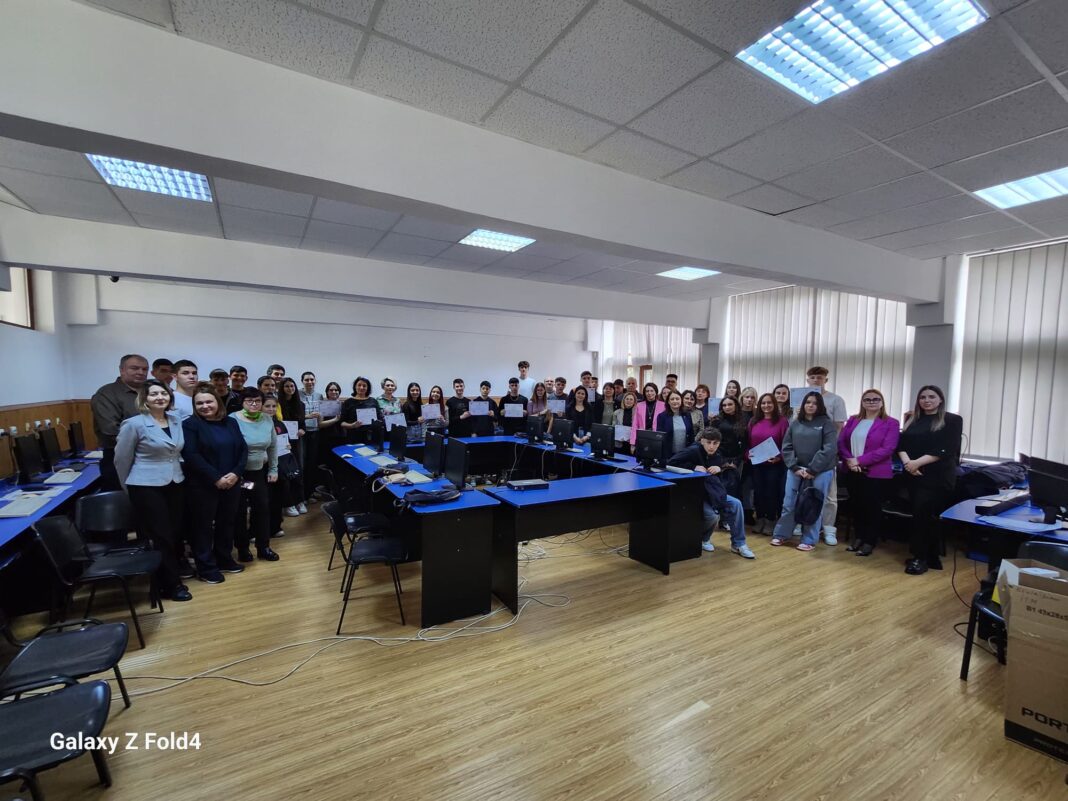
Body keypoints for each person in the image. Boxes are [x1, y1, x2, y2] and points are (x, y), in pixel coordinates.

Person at [113, 379, 190, 601]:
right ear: (144, 399)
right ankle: (171, 585)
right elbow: (121, 460)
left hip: (175, 481)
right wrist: (128, 487)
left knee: (174, 533)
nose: (160, 397)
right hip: (145, 486)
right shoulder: (133, 424)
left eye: (163, 393)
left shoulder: (175, 420)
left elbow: (176, 452)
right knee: (161, 536)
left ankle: (166, 578)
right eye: (154, 394)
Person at [181, 384, 247, 583]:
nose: (205, 406)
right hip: (203, 485)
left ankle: (224, 558)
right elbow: (191, 455)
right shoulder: (190, 424)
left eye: (209, 401)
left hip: (232, 482)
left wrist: (235, 473)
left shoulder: (231, 422)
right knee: (202, 527)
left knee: (227, 523)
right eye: (199, 403)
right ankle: (206, 567)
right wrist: (216, 478)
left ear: (217, 402)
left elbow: (243, 449)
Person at [897, 385, 963, 575]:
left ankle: (921, 558)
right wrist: (908, 463)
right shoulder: (913, 419)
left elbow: (946, 449)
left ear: (940, 399)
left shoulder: (952, 420)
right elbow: (901, 445)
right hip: (913, 474)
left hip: (936, 477)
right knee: (919, 516)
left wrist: (916, 463)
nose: (927, 400)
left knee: (926, 517)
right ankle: (930, 557)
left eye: (931, 397)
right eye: (923, 397)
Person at [667, 427, 755, 559]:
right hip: (695, 493)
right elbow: (670, 462)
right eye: (708, 442)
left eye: (715, 443)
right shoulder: (693, 450)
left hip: (712, 492)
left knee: (736, 504)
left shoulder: (717, 453)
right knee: (712, 516)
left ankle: (739, 544)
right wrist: (693, 467)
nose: (712, 446)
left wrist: (719, 467)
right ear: (702, 441)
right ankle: (703, 538)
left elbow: (720, 464)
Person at [770, 392, 838, 552]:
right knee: (789, 503)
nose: (811, 405)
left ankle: (809, 539)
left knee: (813, 505)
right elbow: (787, 446)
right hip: (796, 470)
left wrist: (813, 469)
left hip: (820, 471)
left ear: (819, 406)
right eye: (808, 402)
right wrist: (794, 467)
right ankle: (781, 534)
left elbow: (829, 449)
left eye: (815, 403)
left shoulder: (826, 423)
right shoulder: (795, 423)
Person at [839, 389, 900, 557]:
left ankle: (869, 541)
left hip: (875, 473)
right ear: (862, 402)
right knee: (857, 506)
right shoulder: (853, 420)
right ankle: (858, 537)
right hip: (852, 471)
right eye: (867, 399)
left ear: (882, 402)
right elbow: (841, 442)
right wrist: (850, 460)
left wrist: (860, 460)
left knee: (872, 508)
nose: (871, 402)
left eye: (875, 399)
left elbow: (888, 449)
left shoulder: (891, 423)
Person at [231, 388, 280, 562]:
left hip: (258, 472)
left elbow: (273, 446)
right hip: (238, 474)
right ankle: (243, 548)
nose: (254, 404)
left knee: (262, 508)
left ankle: (263, 547)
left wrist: (274, 469)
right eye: (249, 401)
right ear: (242, 402)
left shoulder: (267, 419)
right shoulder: (232, 420)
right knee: (239, 511)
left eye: (258, 401)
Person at [91, 353, 148, 490]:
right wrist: (148, 444)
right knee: (123, 499)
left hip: (151, 459)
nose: (141, 372)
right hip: (120, 457)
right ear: (122, 370)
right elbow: (110, 430)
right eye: (134, 368)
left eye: (144, 369)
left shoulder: (151, 392)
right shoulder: (107, 393)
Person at [806, 366, 848, 544]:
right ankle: (803, 522)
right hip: (805, 452)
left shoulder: (835, 400)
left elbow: (838, 427)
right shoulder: (801, 399)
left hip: (827, 452)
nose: (816, 380)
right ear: (808, 380)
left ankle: (829, 528)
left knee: (829, 494)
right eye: (813, 377)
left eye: (820, 377)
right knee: (803, 490)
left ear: (826, 380)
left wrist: (829, 449)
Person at [747, 393, 789, 534]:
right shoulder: (754, 421)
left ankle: (770, 520)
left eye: (769, 402)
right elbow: (747, 442)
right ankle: (760, 519)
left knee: (772, 493)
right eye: (763, 403)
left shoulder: (782, 421)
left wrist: (779, 457)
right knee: (758, 492)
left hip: (774, 465)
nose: (766, 405)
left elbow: (787, 444)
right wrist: (747, 454)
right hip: (757, 464)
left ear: (774, 404)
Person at [264, 394, 303, 526]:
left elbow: (286, 440)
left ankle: (292, 504)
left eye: (274, 406)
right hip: (266, 462)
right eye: (267, 406)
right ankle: (287, 506)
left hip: (282, 458)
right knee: (273, 490)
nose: (271, 409)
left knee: (289, 480)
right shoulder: (259, 424)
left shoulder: (279, 423)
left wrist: (288, 446)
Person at [278, 377, 307, 514]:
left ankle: (299, 501)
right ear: (282, 388)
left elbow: (303, 425)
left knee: (297, 471)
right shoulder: (277, 404)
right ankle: (288, 504)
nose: (290, 389)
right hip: (281, 442)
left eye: (292, 386)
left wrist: (302, 430)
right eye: (287, 386)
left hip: (296, 442)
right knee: (285, 472)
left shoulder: (300, 404)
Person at [710, 397, 747, 498]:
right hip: (719, 458)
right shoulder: (716, 420)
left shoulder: (742, 420)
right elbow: (712, 443)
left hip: (736, 460)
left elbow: (744, 443)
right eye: (724, 405)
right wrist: (722, 461)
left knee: (734, 488)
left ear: (736, 405)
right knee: (720, 488)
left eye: (730, 404)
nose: (727, 407)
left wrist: (736, 462)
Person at [299, 371, 323, 502]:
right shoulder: (297, 394)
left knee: (312, 462)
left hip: (315, 431)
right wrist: (307, 416)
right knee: (301, 462)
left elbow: (322, 414)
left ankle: (310, 492)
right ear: (302, 381)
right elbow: (294, 413)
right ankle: (301, 495)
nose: (310, 382)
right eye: (307, 380)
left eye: (312, 379)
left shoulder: (319, 395)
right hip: (301, 432)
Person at [655, 390, 694, 461]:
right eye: (672, 399)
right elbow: (660, 438)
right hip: (668, 455)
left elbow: (691, 434)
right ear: (668, 402)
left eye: (677, 399)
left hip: (685, 454)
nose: (675, 401)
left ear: (681, 400)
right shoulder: (662, 416)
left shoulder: (687, 415)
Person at [340, 377, 380, 444]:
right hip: (353, 437)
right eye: (359, 385)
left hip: (371, 437)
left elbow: (379, 418)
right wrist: (352, 425)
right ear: (355, 387)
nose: (361, 387)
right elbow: (342, 423)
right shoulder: (348, 402)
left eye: (364, 386)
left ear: (368, 388)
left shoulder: (373, 401)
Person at [631, 383, 665, 453]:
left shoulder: (663, 405)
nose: (649, 393)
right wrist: (633, 443)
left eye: (652, 391)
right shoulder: (639, 405)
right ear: (644, 393)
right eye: (647, 391)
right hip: (642, 438)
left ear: (656, 392)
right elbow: (635, 425)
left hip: (657, 438)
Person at [317, 381, 345, 455]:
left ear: (339, 391)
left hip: (341, 436)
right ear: (327, 392)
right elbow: (320, 424)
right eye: (331, 390)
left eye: (336, 390)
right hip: (327, 437)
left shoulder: (343, 404)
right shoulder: (323, 404)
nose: (334, 392)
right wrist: (335, 420)